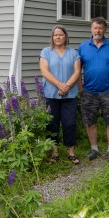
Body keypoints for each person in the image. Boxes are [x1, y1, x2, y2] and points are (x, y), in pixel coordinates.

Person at [78, 16, 109, 163]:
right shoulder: (83, 47)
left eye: (101, 28)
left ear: (104, 30)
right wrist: (80, 88)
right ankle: (94, 149)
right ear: (91, 29)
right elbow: (77, 69)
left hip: (108, 91)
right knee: (90, 121)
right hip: (89, 91)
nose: (98, 30)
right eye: (95, 27)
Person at [39, 25, 81, 165]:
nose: (58, 37)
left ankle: (71, 152)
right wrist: (60, 85)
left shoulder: (73, 53)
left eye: (60, 35)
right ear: (52, 37)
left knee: (70, 123)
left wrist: (67, 86)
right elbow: (44, 72)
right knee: (52, 124)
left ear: (65, 36)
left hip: (70, 95)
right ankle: (54, 153)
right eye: (55, 35)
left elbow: (77, 72)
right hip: (52, 94)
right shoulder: (46, 52)